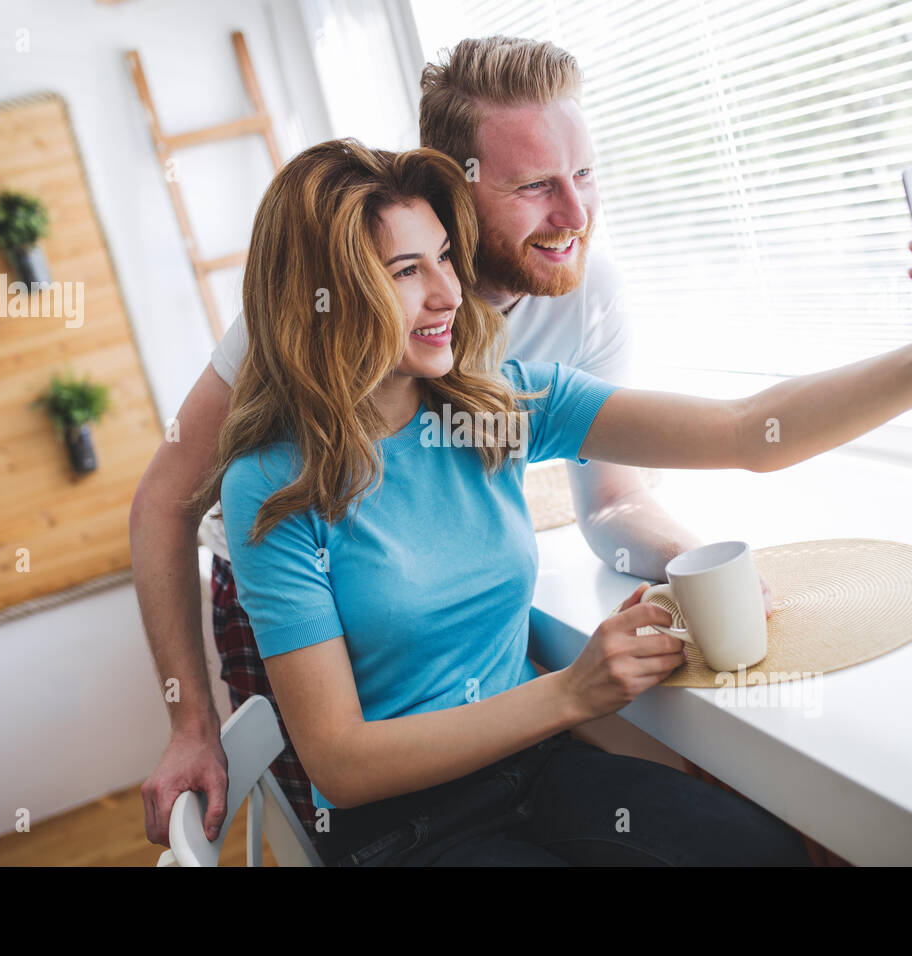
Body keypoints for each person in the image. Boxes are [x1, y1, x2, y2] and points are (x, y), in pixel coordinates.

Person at [190, 137, 912, 866]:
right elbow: (341, 762)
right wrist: (570, 692)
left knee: (760, 852)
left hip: (535, 767)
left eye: (445, 256)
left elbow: (744, 431)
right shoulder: (272, 482)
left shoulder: (498, 410)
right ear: (322, 296)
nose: (447, 293)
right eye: (407, 271)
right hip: (405, 829)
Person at [133, 36, 762, 846]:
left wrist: (702, 574)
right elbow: (164, 501)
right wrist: (191, 724)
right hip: (296, 566)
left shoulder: (580, 294)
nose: (574, 215)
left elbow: (617, 498)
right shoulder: (321, 301)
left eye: (584, 175)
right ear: (461, 182)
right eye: (535, 185)